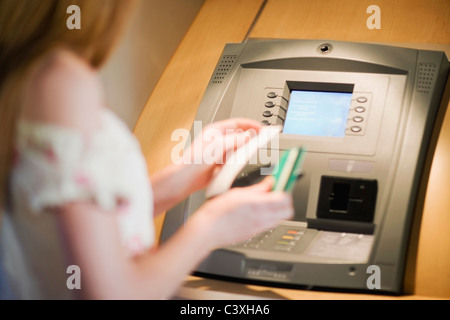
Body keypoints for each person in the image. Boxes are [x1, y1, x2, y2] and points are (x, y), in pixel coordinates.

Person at [0, 0, 293, 299]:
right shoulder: (62, 79)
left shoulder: (25, 70)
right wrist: (210, 227)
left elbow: (70, 224)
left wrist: (180, 176)